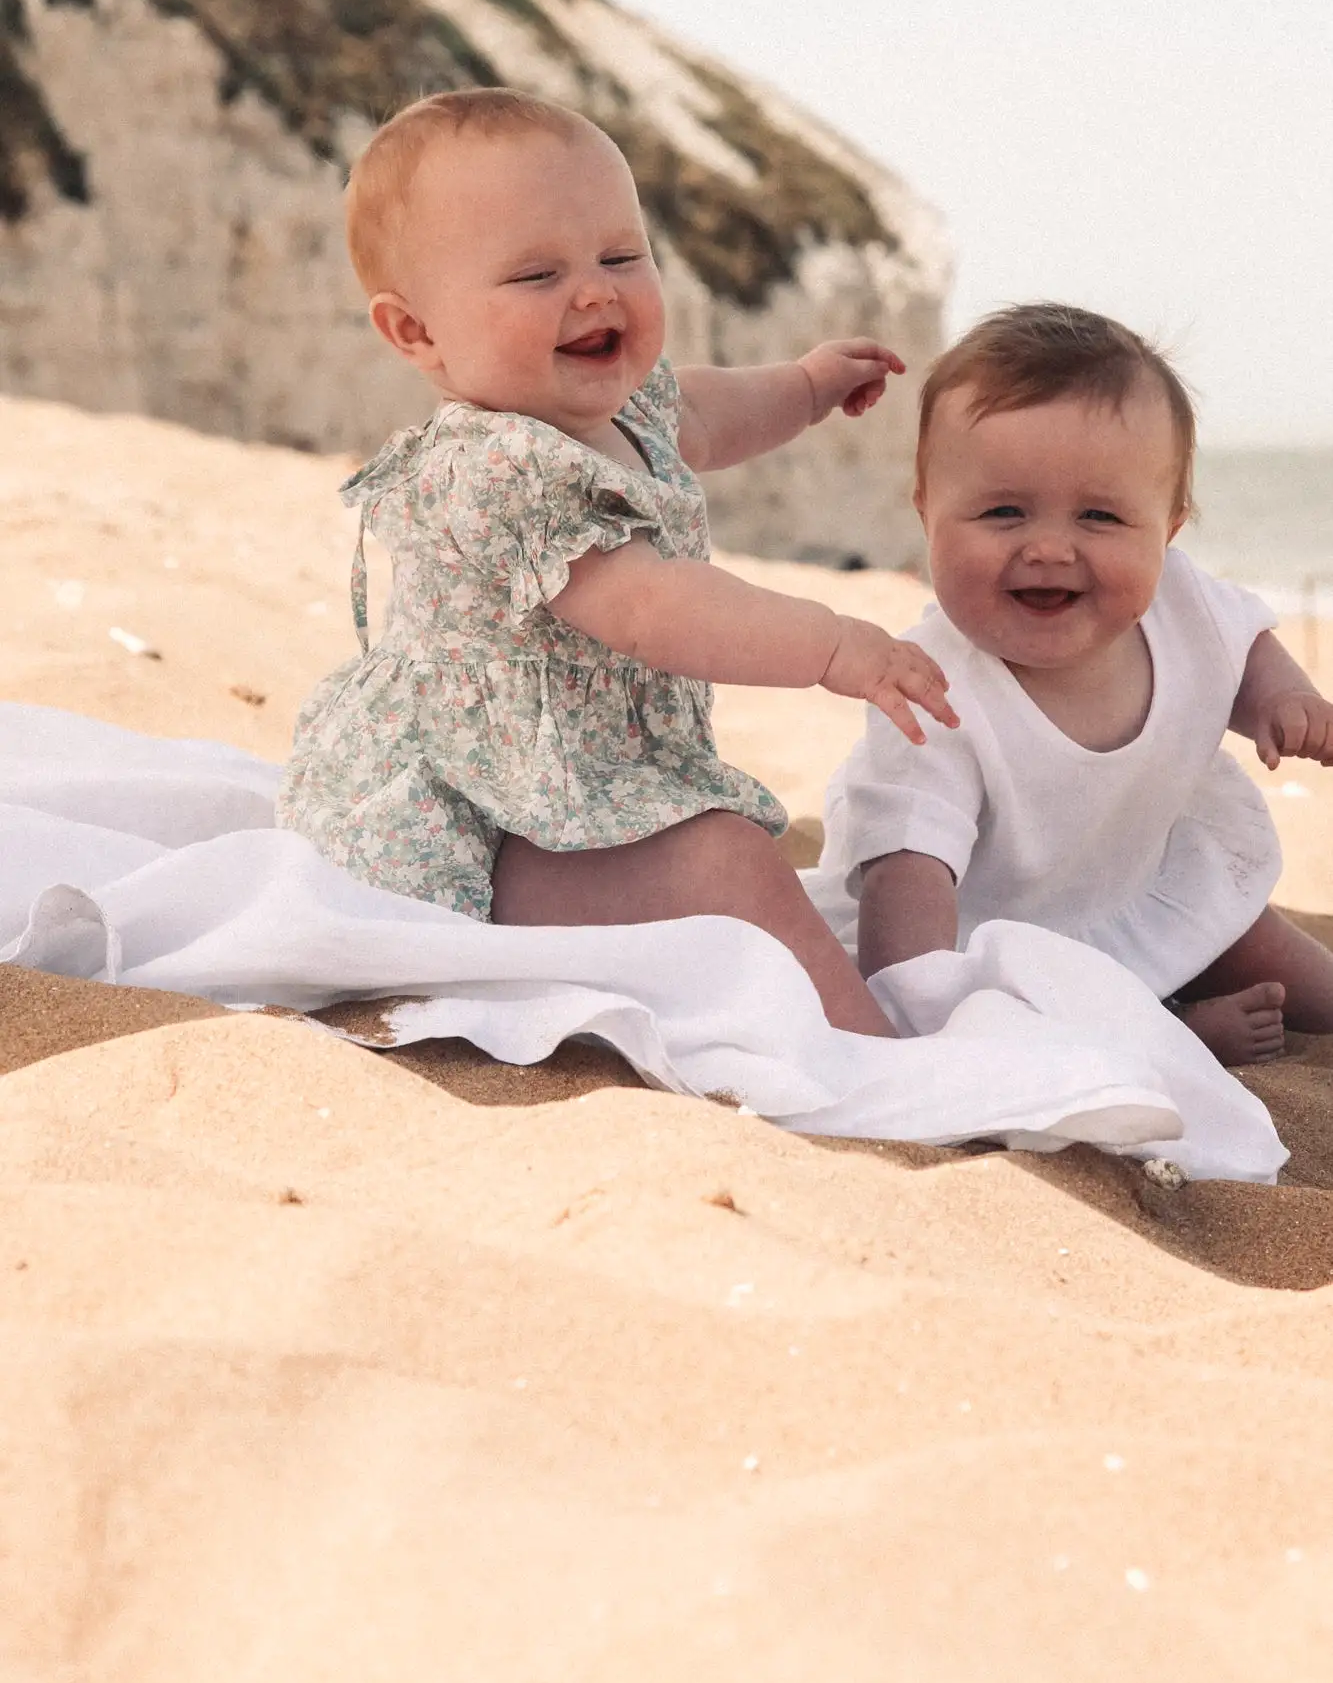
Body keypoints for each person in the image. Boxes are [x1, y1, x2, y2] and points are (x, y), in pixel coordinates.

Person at [277, 87, 958, 1038]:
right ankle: (870, 1051)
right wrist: (834, 647)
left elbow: (708, 414)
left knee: (724, 858)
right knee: (724, 859)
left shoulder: (621, 409)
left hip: (574, 782)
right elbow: (649, 607)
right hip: (476, 820)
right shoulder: (499, 467)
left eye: (619, 256)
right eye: (534, 275)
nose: (593, 292)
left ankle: (838, 1020)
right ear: (415, 332)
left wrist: (803, 387)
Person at [806, 302, 1333, 1066]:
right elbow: (907, 909)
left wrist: (1284, 703)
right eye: (1002, 511)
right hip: (999, 941)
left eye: (1098, 516)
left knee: (1284, 964)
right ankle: (1176, 1037)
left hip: (1142, 880)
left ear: (1169, 528)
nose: (1049, 548)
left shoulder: (1179, 597)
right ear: (926, 514)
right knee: (1019, 1017)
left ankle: (1176, 1008)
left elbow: (1239, 641)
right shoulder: (929, 691)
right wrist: (921, 1003)